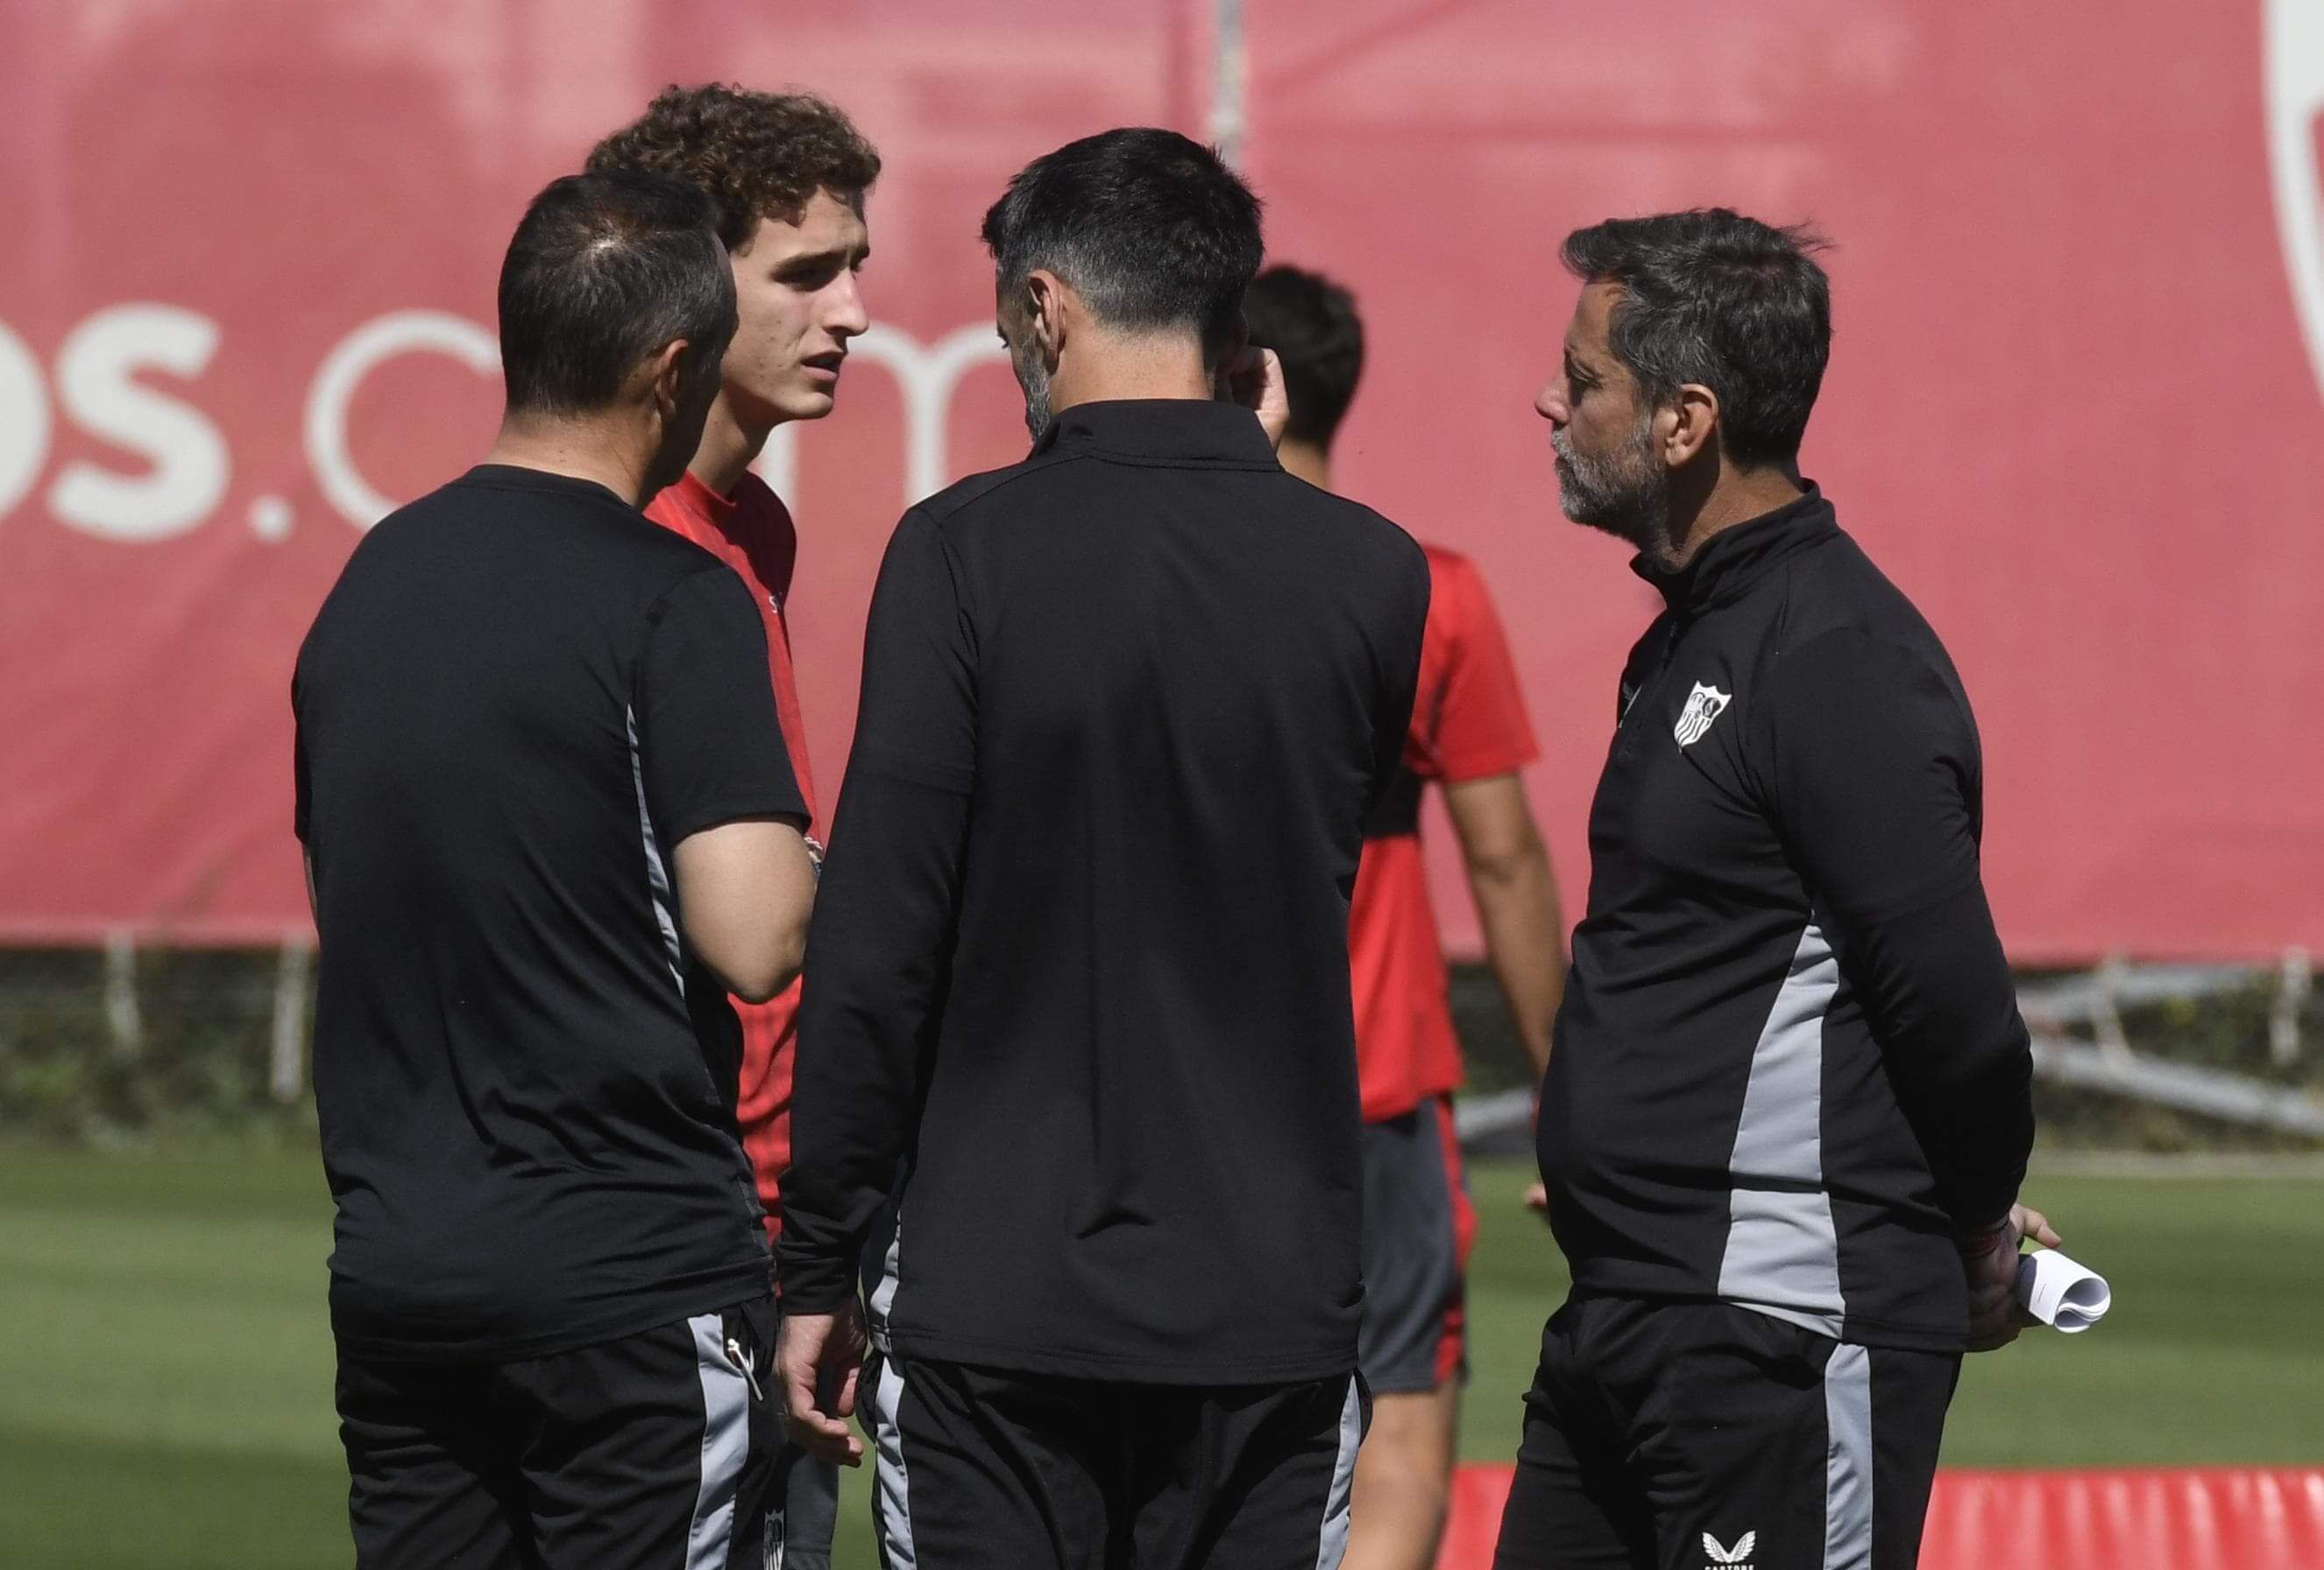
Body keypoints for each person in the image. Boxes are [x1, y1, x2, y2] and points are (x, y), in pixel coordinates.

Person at [773, 128, 1433, 1569]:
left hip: (997, 1304)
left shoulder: (956, 552)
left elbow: (883, 938)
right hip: (1271, 1295)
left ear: (1046, 307)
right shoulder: (1374, 574)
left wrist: (817, 1254)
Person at [1494, 208, 2055, 1570]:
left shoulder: (1840, 661)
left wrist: (1977, 1226)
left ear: (1684, 420)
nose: (1550, 403)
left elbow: (1958, 1016)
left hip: (1778, 1341)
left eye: (1584, 382)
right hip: (1630, 1318)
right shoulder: (1700, 632)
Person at [293, 169, 818, 1570]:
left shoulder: (372, 579)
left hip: (403, 1275)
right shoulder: (672, 595)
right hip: (625, 1287)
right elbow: (756, 936)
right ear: (668, 370)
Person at [587, 83, 880, 1570]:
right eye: (809, 273)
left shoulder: (751, 521)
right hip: (671, 1219)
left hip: (779, 1209)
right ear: (694, 290)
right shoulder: (617, 544)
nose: (856, 313)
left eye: (859, 268)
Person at [1243, 264, 1567, 1570]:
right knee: (1403, 1425)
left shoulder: (1156, 573)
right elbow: (1504, 863)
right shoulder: (1429, 590)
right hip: (1377, 1086)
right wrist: (1575, 1089)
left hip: (1184, 1086)